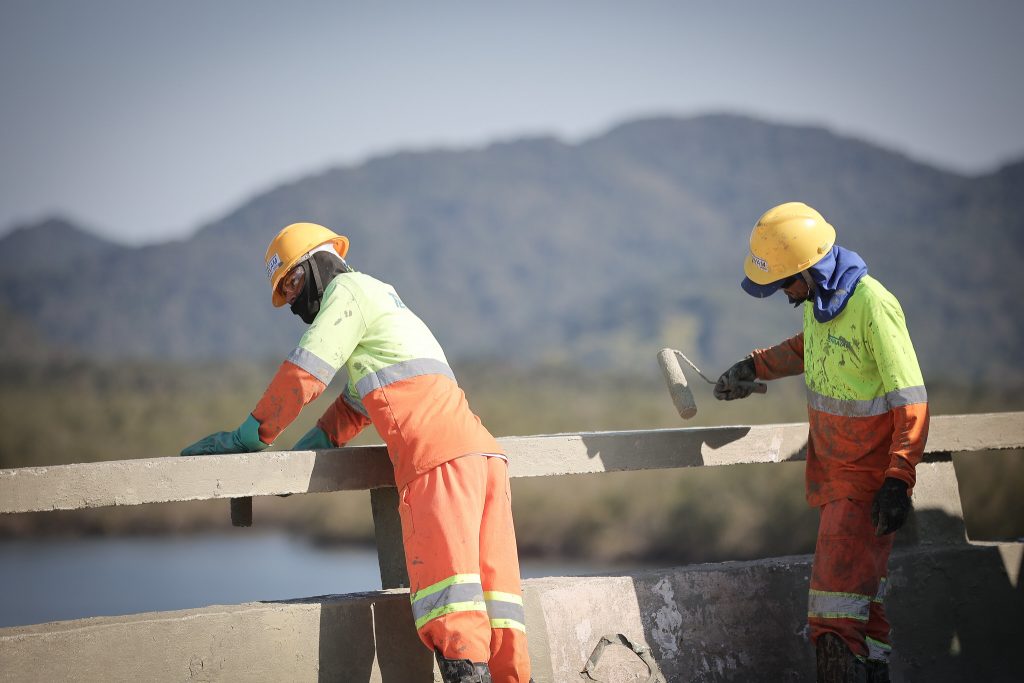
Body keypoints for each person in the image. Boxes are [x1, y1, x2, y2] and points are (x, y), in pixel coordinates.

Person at [181, 222, 531, 683]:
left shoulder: (347, 292)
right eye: (284, 295)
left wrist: (250, 436)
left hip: (438, 464)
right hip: (483, 459)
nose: (292, 302)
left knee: (455, 621)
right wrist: (300, 462)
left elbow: (306, 369)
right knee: (498, 613)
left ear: (317, 264)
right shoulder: (382, 301)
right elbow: (355, 405)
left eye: (291, 283)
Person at [714, 202, 929, 683]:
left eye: (788, 283)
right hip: (835, 479)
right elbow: (810, 348)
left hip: (865, 488)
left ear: (812, 269)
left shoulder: (873, 305)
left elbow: (912, 402)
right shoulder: (822, 305)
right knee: (864, 618)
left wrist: (899, 480)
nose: (786, 295)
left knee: (832, 620)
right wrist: (753, 367)